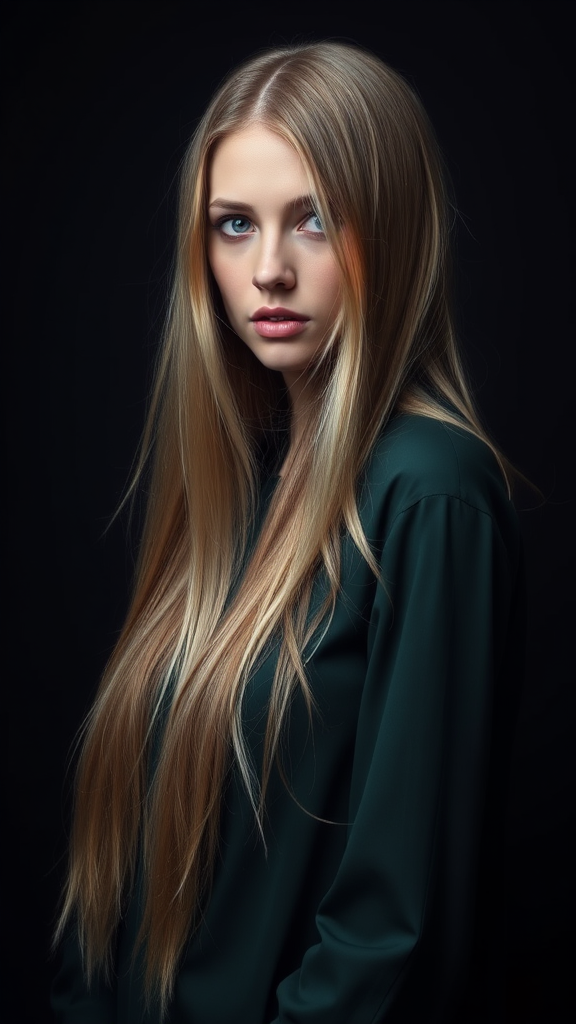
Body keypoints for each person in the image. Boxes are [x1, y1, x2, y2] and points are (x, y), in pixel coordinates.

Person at [51, 40, 525, 1023]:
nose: (268, 269)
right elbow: (121, 890)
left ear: (389, 229)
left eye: (314, 219)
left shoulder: (431, 491)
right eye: (234, 224)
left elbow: (395, 932)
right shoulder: (243, 484)